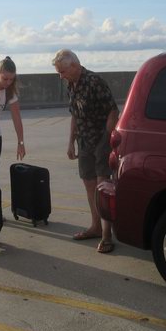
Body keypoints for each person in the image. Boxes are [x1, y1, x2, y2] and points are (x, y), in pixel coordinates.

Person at [52, 49, 119, 254]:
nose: (61, 76)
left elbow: (113, 111)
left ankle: (107, 235)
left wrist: (107, 141)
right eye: (59, 72)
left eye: (62, 71)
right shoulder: (71, 84)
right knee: (90, 186)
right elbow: (75, 114)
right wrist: (71, 142)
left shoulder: (94, 81)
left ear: (74, 66)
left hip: (100, 139)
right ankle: (95, 227)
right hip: (84, 141)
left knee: (102, 187)